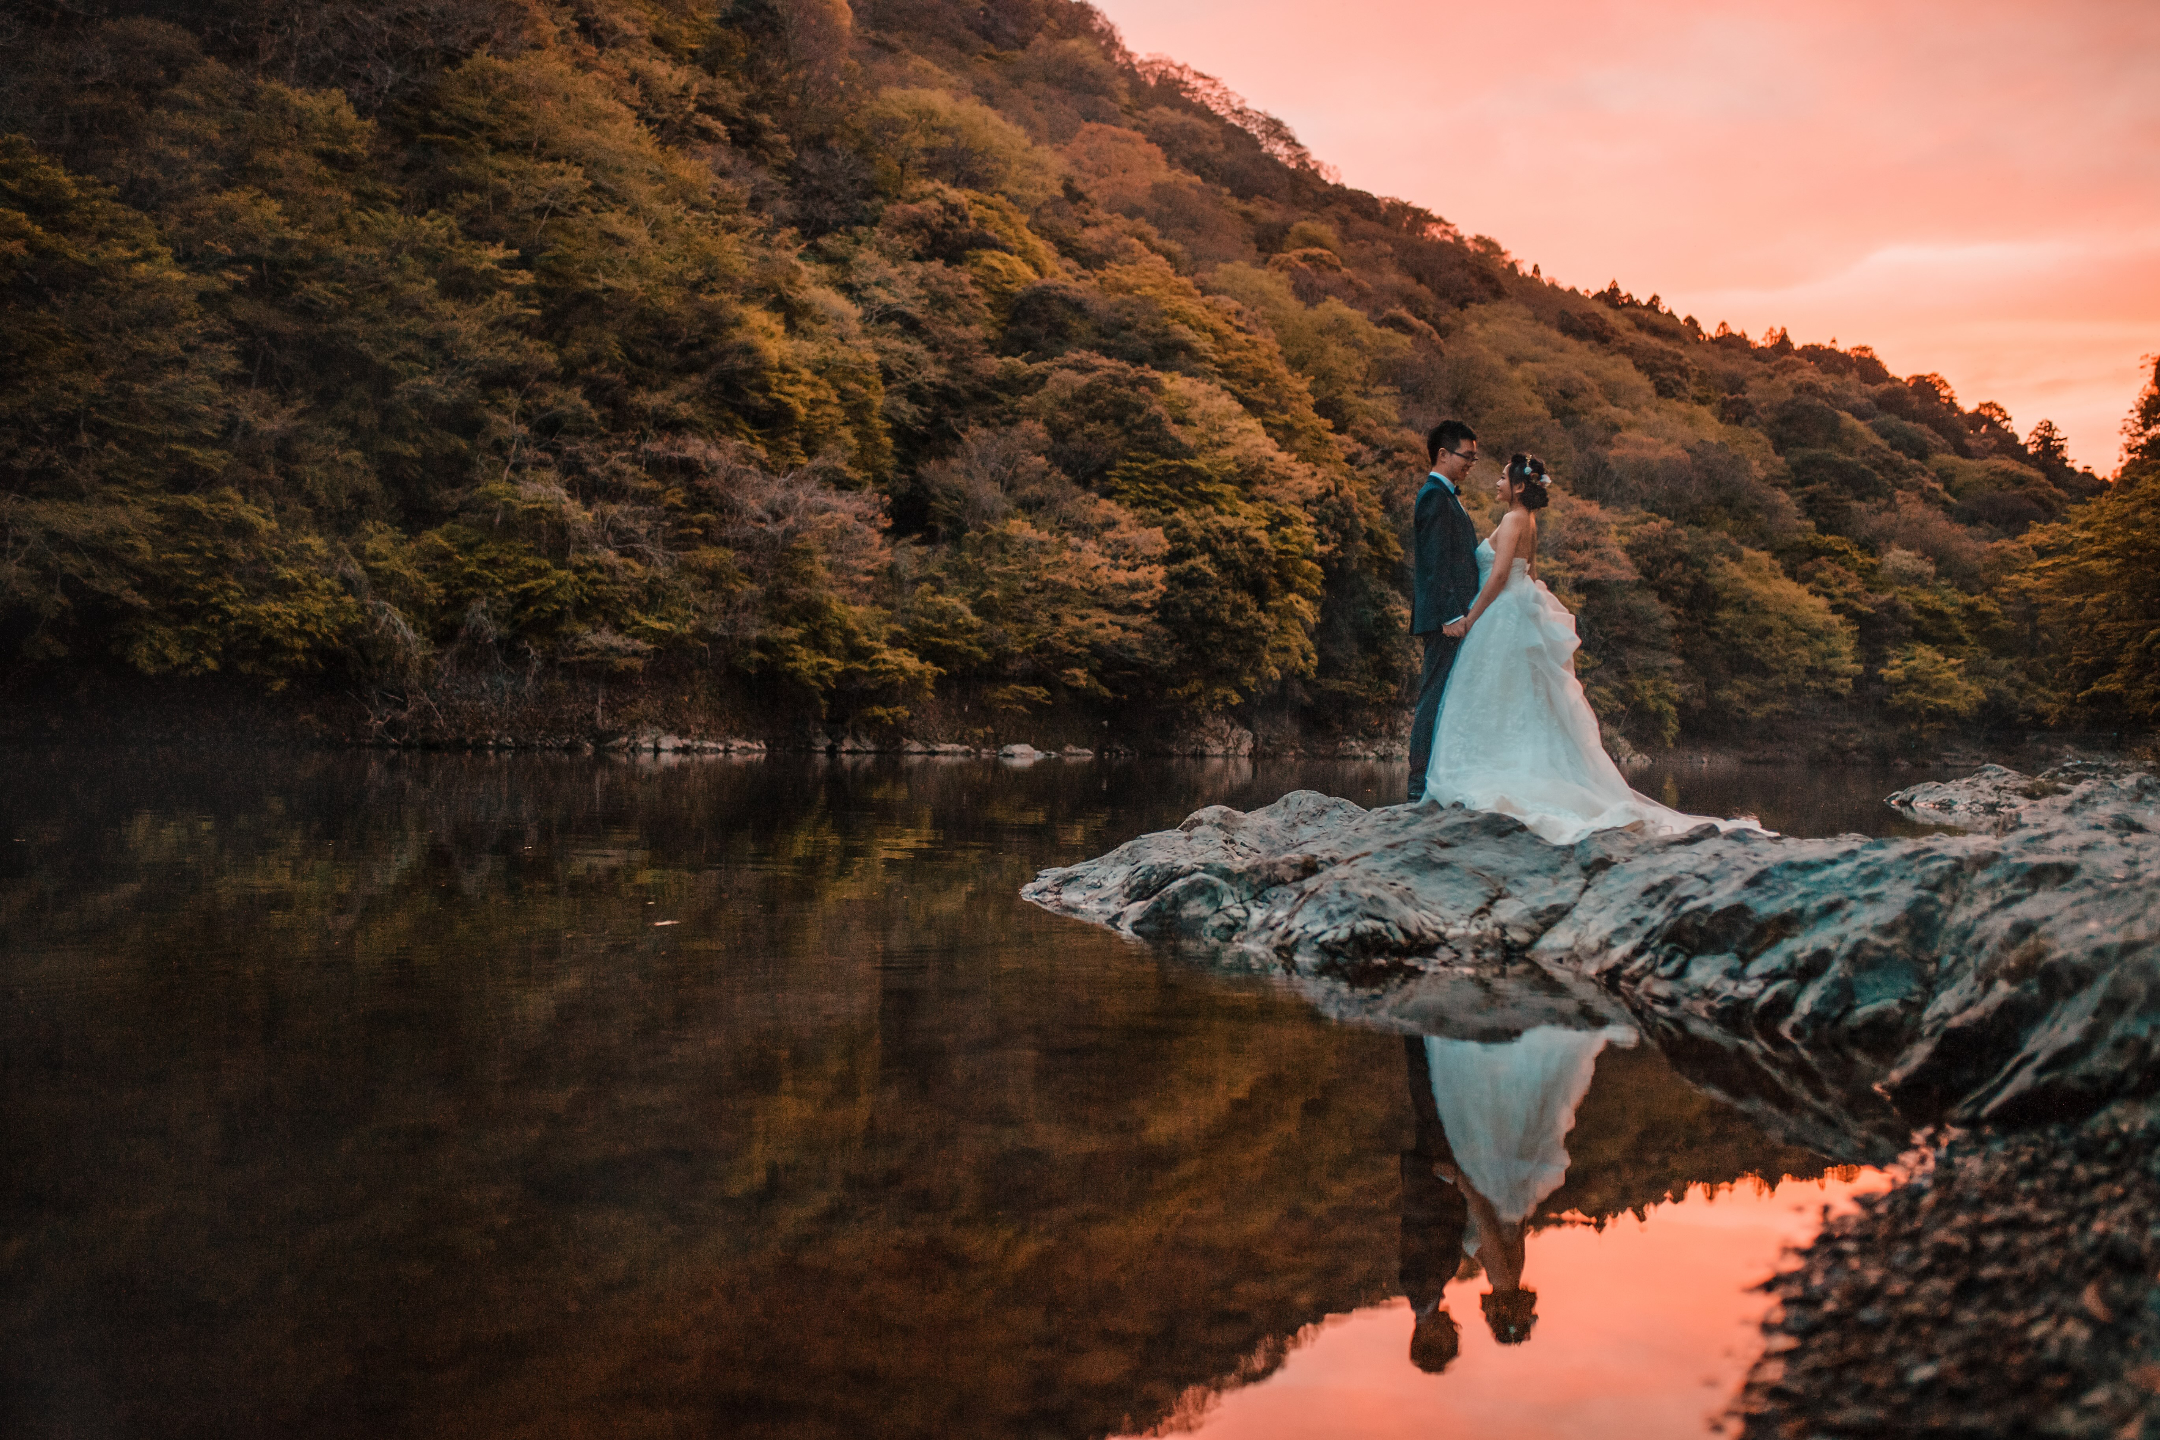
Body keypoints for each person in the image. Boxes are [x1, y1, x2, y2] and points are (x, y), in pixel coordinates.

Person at [1419, 453, 1764, 845]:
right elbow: (1529, 575)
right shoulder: (1528, 521)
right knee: (1518, 701)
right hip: (1514, 613)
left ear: (1518, 486)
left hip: (1499, 615)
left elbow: (1499, 576)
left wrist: (1471, 618)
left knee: (1494, 697)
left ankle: (1491, 774)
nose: (1496, 483)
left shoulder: (1513, 519)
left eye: (1502, 478)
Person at [1405, 422, 1485, 803]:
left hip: (1452, 617)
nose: (1471, 463)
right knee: (1434, 696)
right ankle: (1417, 784)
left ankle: (1434, 781)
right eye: (1466, 456)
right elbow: (1437, 562)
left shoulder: (1447, 497)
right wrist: (1452, 615)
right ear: (1443, 454)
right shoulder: (1434, 497)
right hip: (1444, 619)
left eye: (1474, 457)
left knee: (1446, 695)